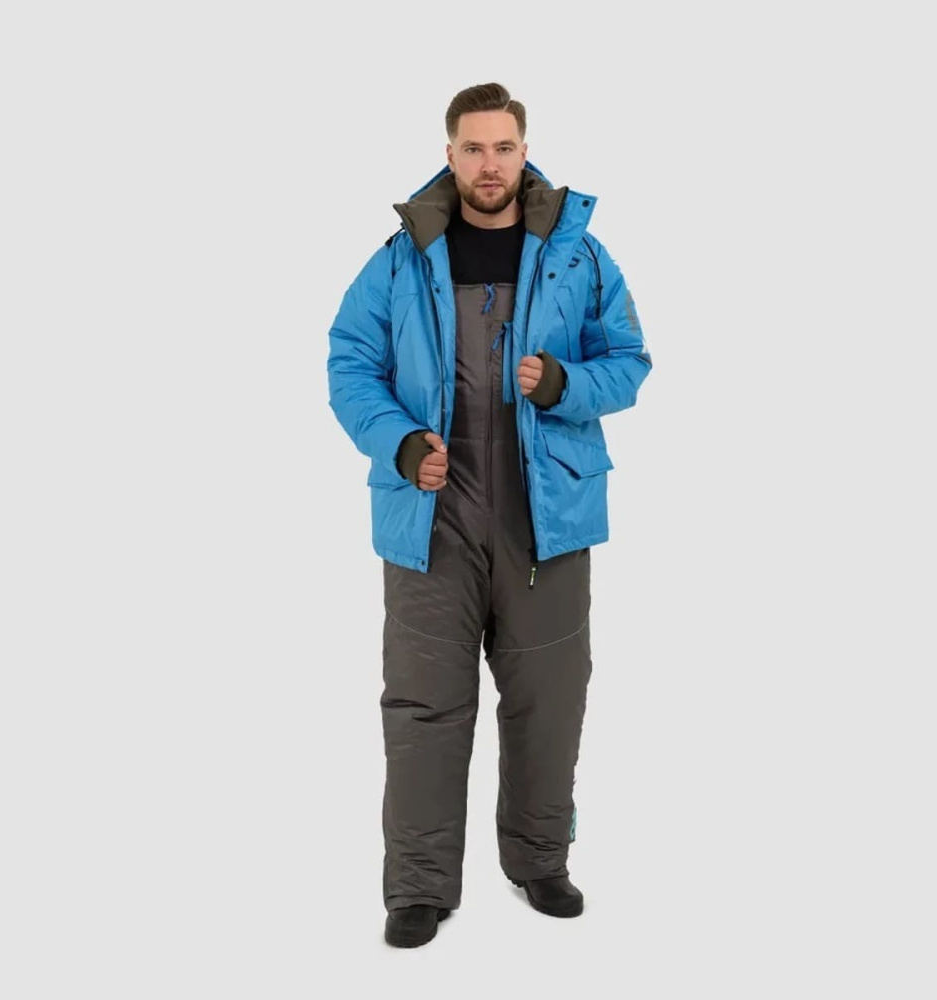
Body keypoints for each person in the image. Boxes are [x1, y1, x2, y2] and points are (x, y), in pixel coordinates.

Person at [326, 82, 652, 949]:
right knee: (424, 707)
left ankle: (541, 862)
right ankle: (419, 886)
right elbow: (349, 362)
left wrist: (567, 383)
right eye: (472, 148)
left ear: (523, 151)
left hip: (549, 519)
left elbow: (629, 359)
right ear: (450, 155)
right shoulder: (400, 260)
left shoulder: (579, 255)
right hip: (429, 520)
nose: (489, 164)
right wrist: (401, 444)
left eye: (503, 147)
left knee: (550, 700)